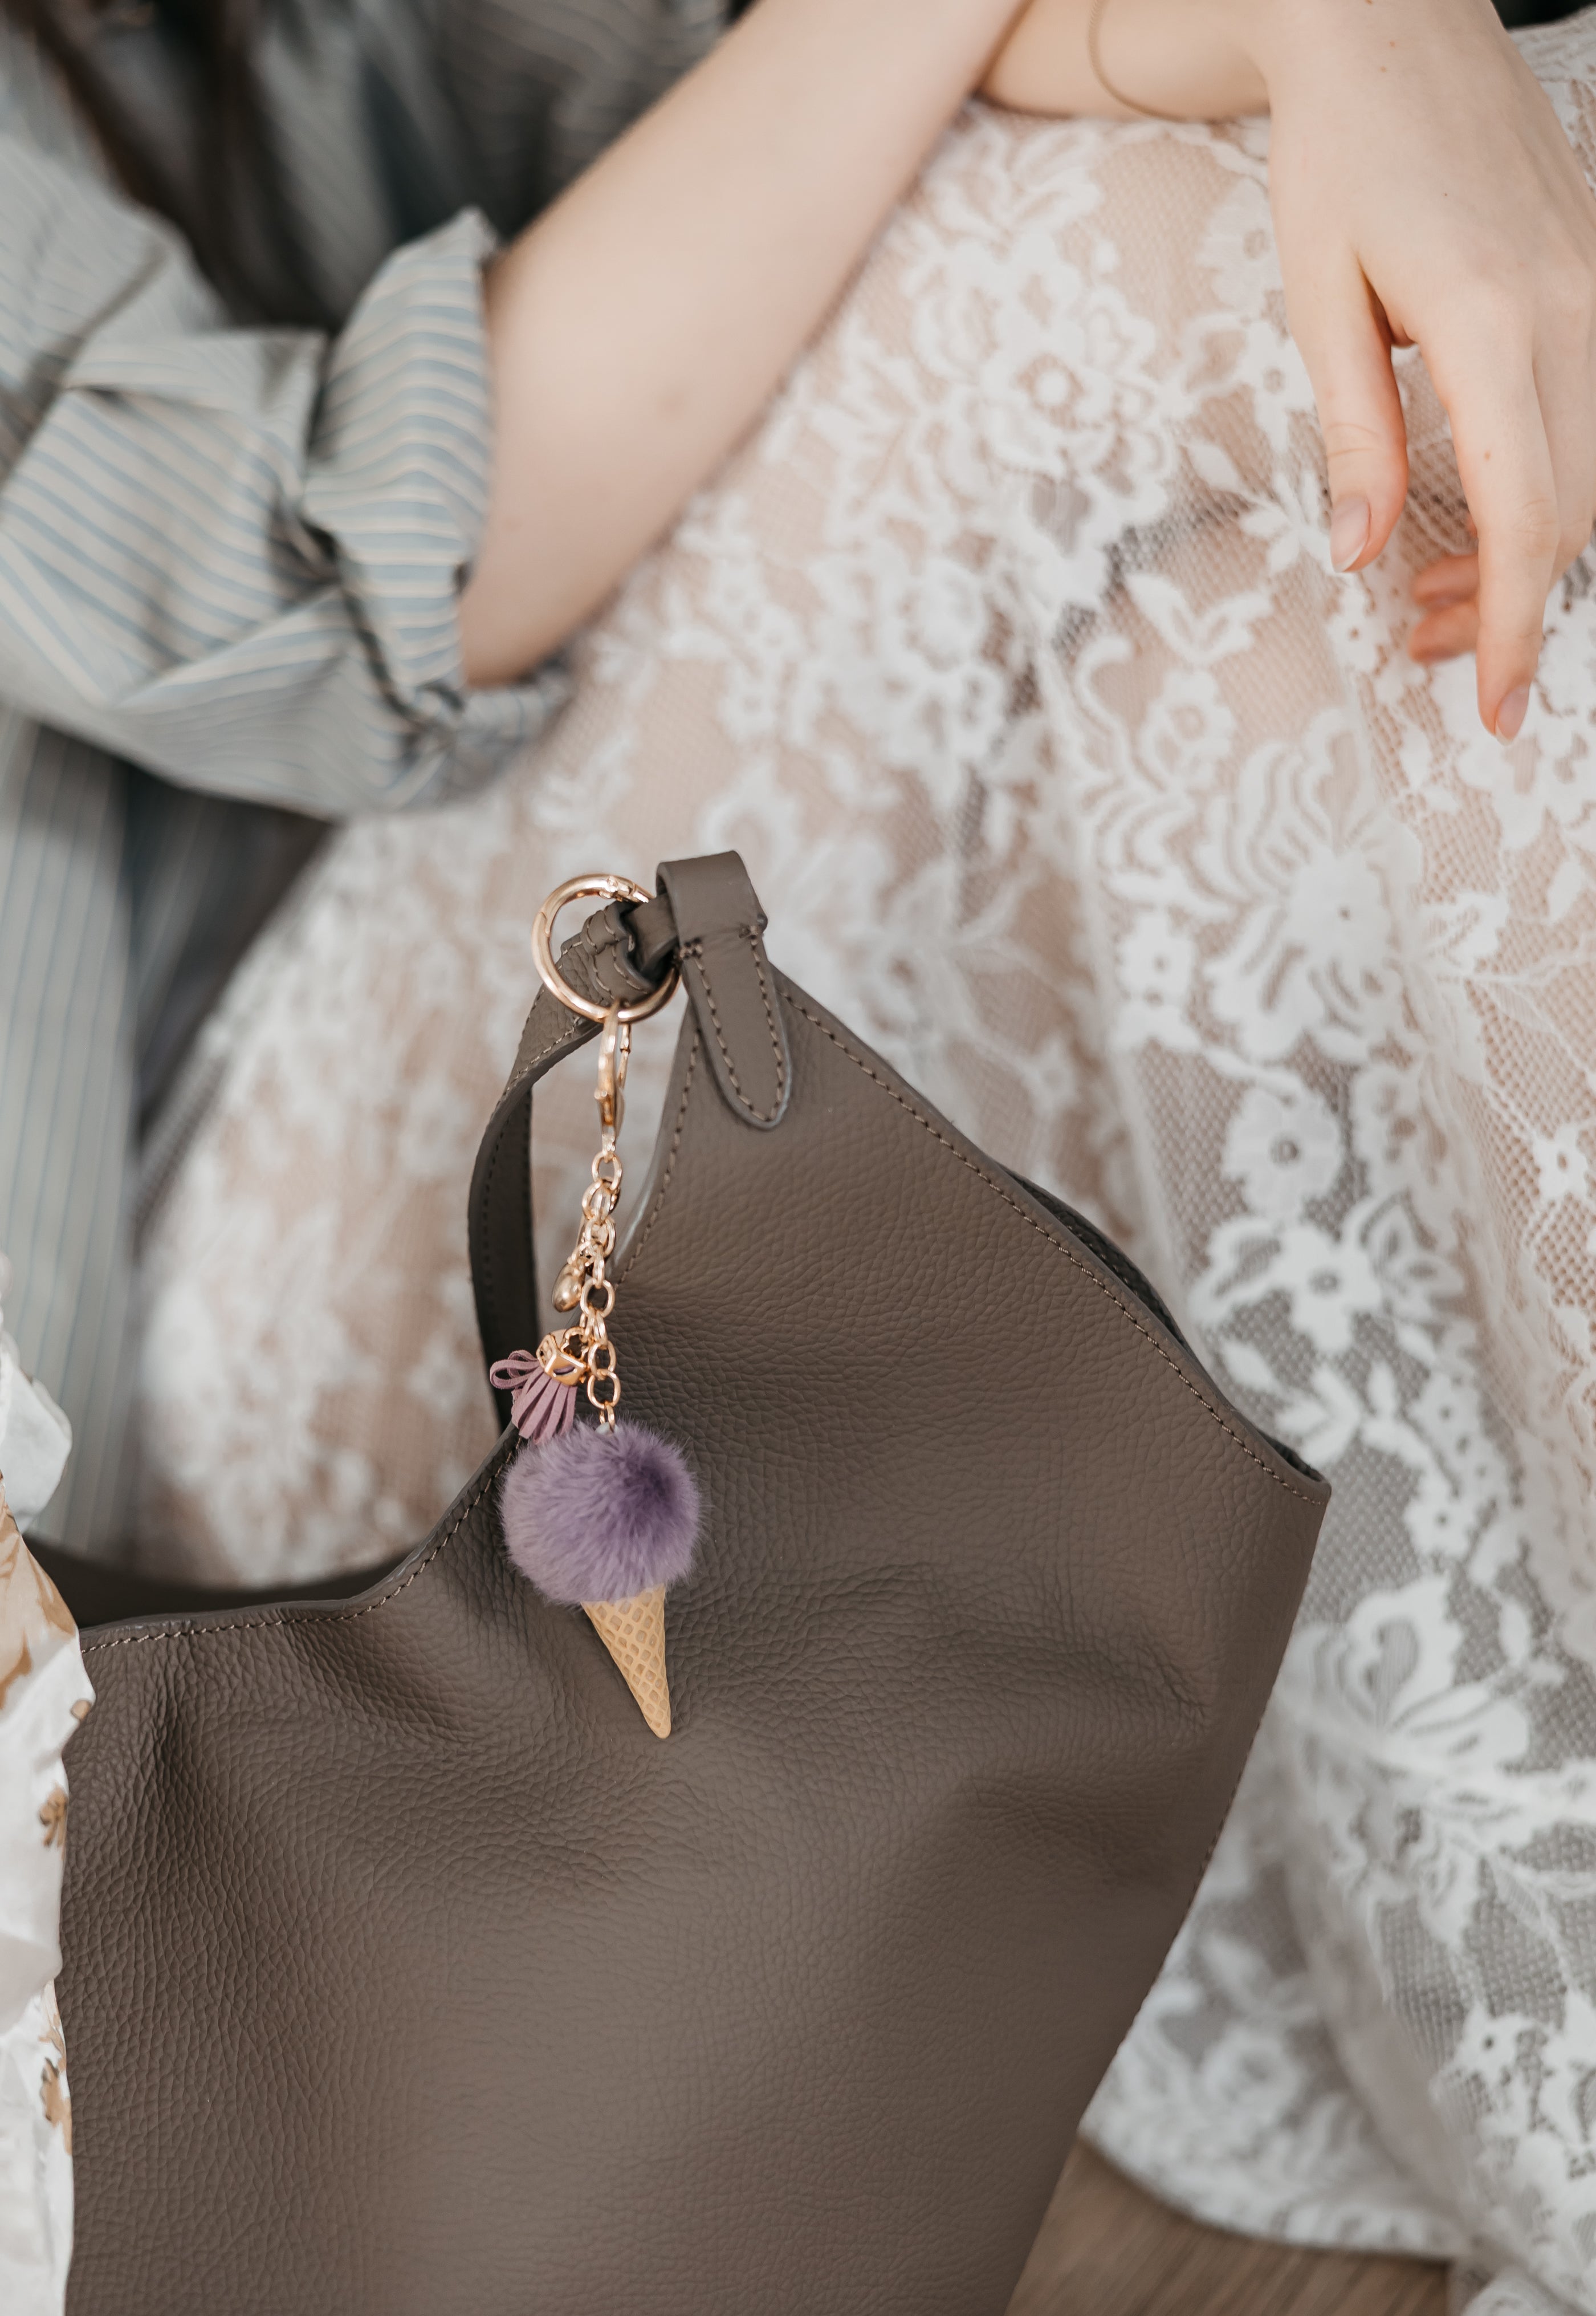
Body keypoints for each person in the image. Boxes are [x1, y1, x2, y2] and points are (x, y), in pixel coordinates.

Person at [0, 0, 1594, 1546]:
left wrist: (1367, 36)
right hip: (144, 1373)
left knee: (1259, 675)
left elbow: (799, 81)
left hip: (414, 989)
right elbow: (337, 578)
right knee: (1159, 248)